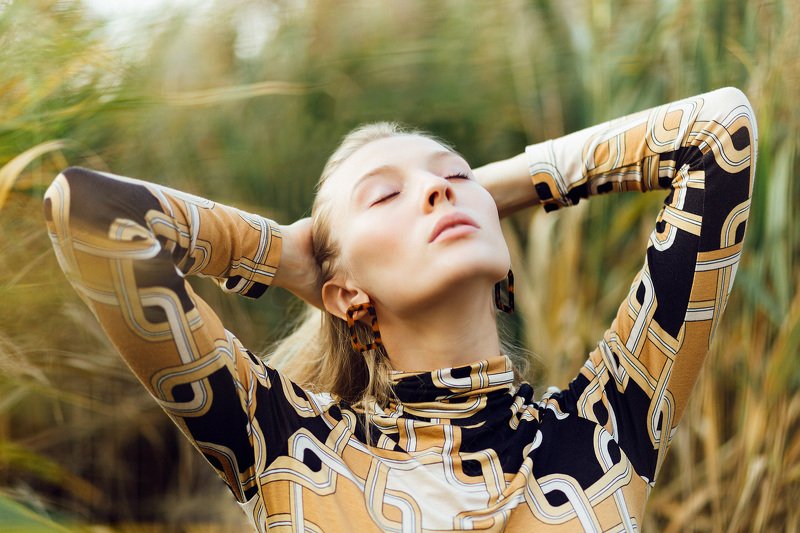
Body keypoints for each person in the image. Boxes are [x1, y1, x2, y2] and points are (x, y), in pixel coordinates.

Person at [43, 87, 756, 532]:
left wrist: (499, 188)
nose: (439, 191)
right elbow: (88, 211)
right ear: (344, 292)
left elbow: (720, 132)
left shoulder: (609, 428)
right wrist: (284, 255)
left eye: (456, 177)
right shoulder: (286, 447)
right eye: (385, 195)